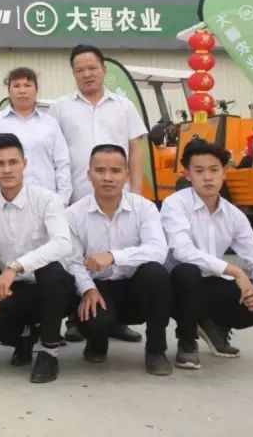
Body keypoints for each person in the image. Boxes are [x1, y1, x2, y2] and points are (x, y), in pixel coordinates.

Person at [162, 139, 253, 369]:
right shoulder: (175, 204)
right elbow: (182, 251)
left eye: (214, 170)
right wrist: (234, 271)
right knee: (187, 272)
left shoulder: (234, 215)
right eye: (199, 171)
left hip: (210, 284)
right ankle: (187, 340)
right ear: (187, 175)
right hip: (174, 287)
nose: (207, 177)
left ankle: (216, 323)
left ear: (224, 172)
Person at [51, 44, 148, 343]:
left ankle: (115, 318)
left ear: (104, 69)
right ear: (73, 73)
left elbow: (135, 148)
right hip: (75, 195)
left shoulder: (123, 106)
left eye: (92, 68)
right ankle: (75, 318)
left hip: (118, 195)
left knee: (115, 254)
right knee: (75, 257)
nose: (87, 74)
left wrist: (137, 191)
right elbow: (55, 153)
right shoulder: (60, 108)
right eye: (80, 69)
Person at [0, 133, 74, 384]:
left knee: (50, 272)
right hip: (16, 290)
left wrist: (15, 267)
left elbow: (62, 243)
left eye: (13, 162)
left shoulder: (47, 199)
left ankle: (49, 351)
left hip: (55, 288)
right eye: (0, 164)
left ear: (24, 164)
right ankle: (26, 336)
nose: (7, 170)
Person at [65, 144, 173, 376]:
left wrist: (114, 256)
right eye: (100, 170)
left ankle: (156, 350)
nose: (107, 177)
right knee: (94, 321)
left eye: (115, 171)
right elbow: (73, 262)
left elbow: (158, 250)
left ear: (126, 175)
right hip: (98, 287)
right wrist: (87, 290)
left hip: (135, 285)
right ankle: (96, 342)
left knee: (157, 274)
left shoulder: (144, 208)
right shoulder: (73, 214)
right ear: (89, 174)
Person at [0, 67, 71, 204]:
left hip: (47, 200)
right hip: (9, 200)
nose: (22, 91)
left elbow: (62, 162)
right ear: (9, 91)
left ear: (36, 90)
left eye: (27, 85)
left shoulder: (50, 123)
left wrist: (63, 199)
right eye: (16, 86)